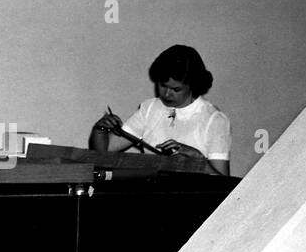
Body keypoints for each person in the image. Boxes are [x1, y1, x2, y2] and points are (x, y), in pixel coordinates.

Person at [90, 45, 231, 175]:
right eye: (163, 86)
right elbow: (104, 153)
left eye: (176, 89)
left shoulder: (214, 119)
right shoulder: (150, 108)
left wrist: (197, 158)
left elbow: (223, 180)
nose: (167, 94)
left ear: (192, 85)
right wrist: (100, 129)